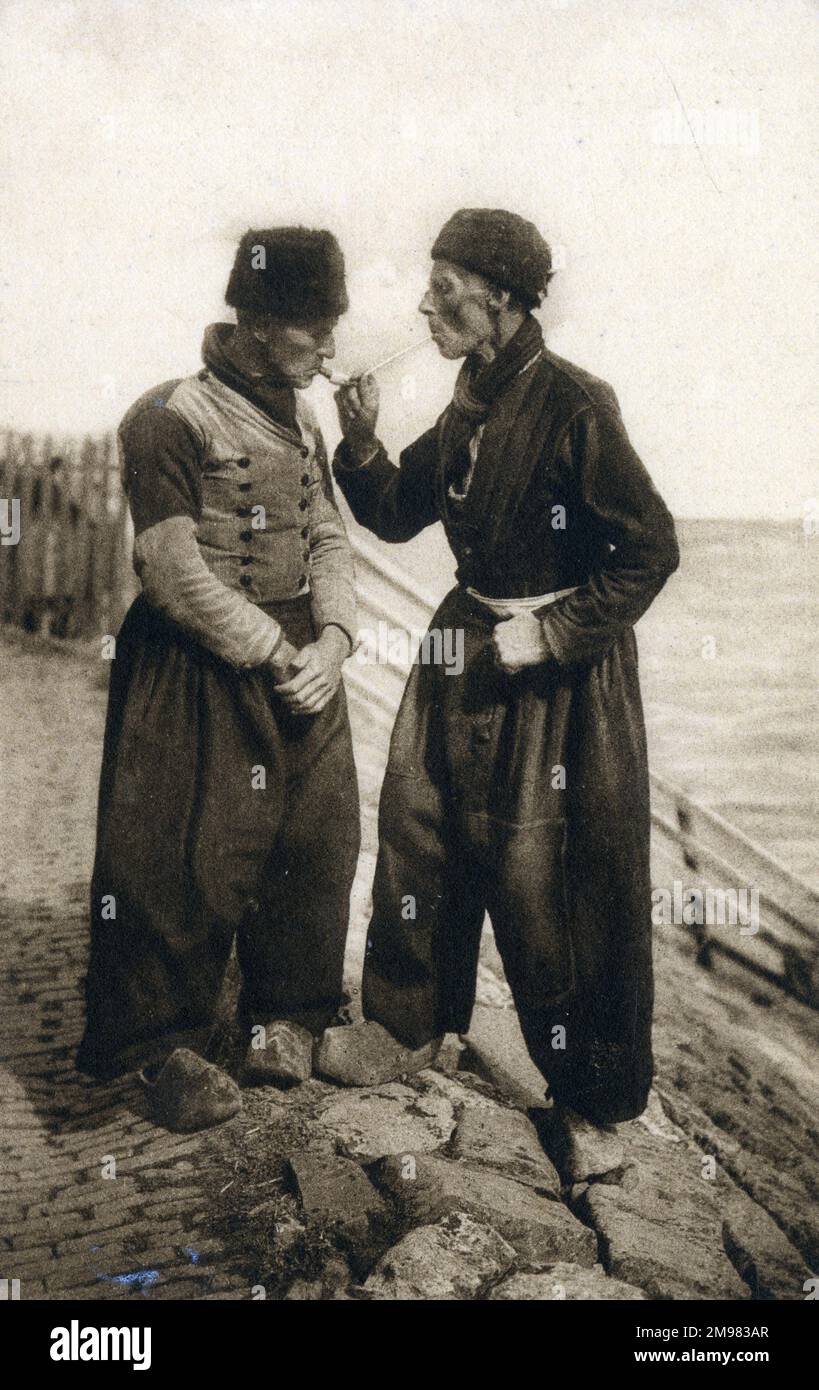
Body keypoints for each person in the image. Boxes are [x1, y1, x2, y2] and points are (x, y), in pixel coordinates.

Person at [332, 208, 679, 1126]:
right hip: (462, 648)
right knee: (416, 825)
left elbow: (649, 551)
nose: (424, 307)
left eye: (444, 293)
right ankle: (404, 1029)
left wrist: (555, 632)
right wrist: (361, 443)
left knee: (548, 877)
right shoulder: (471, 398)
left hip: (555, 680)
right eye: (430, 288)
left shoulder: (575, 404)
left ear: (501, 301)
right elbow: (399, 510)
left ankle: (592, 1092)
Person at [76, 227, 360, 1131]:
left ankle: (287, 1017)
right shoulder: (166, 416)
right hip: (195, 662)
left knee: (314, 839)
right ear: (259, 323)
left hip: (301, 657)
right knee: (180, 852)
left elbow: (327, 537)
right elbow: (170, 569)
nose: (327, 348)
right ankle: (158, 1048)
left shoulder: (303, 415)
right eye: (314, 329)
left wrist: (336, 640)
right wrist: (274, 651)